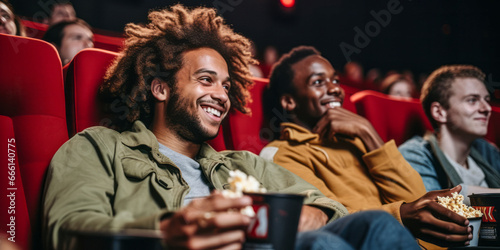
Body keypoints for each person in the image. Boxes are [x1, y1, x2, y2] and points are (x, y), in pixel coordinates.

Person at [42, 5, 420, 250]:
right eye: (206, 80)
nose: (222, 96)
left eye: (226, 86)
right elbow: (67, 230)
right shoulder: (98, 146)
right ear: (160, 88)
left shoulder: (243, 164)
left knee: (373, 225)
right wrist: (165, 230)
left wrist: (311, 215)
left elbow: (330, 207)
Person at [260, 46, 473, 247]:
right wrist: (402, 214)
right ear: (289, 102)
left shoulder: (355, 139)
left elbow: (415, 197)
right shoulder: (282, 154)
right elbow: (331, 220)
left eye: (335, 80)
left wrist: (369, 134)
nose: (335, 88)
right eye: (318, 82)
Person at [399, 65, 500, 204]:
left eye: (486, 100)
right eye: (472, 100)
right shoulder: (415, 154)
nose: (487, 108)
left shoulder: (488, 151)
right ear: (439, 113)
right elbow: (435, 211)